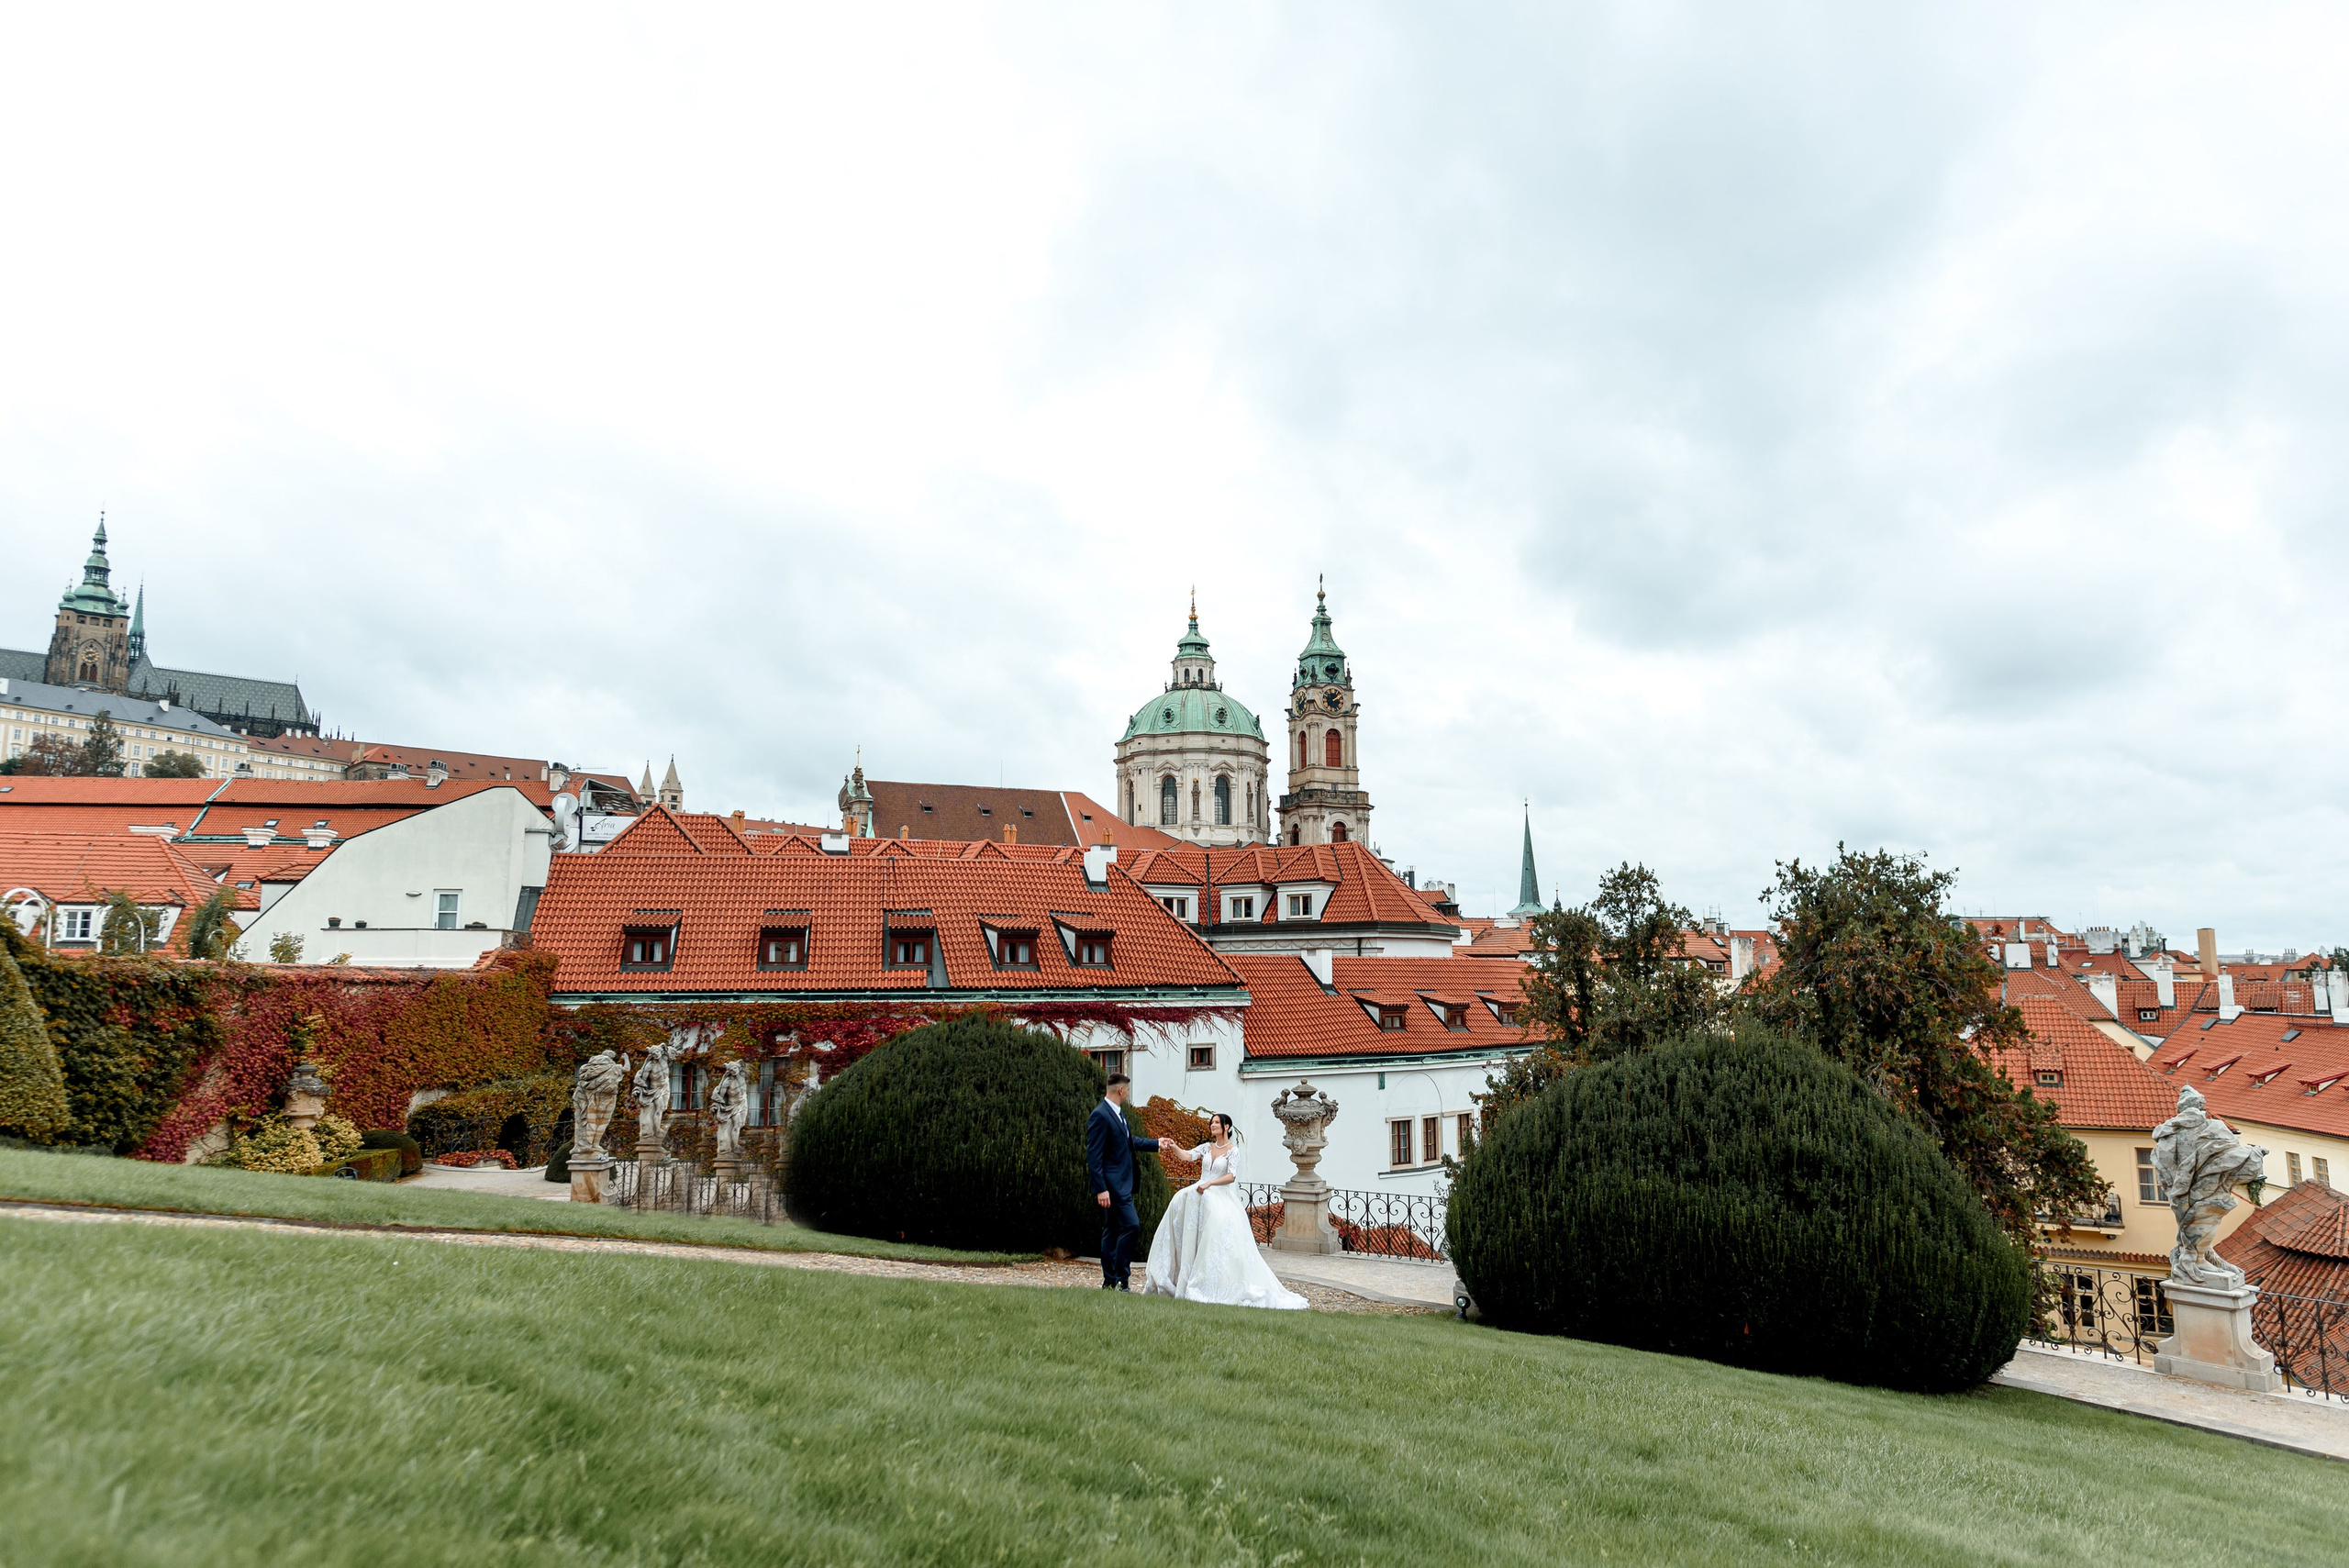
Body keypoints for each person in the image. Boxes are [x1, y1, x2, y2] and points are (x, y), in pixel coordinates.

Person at [1142, 1112, 1308, 1310]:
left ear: (1226, 1126)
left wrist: (1211, 1183)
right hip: (1201, 1190)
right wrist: (1175, 1146)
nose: (1212, 1125)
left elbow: (1231, 1176)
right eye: (1211, 1123)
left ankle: (1210, 1281)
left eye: (1216, 1123)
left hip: (1219, 1193)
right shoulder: (1206, 1147)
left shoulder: (1233, 1151)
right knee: (1180, 1199)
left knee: (1214, 1220)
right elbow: (1188, 1156)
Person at [1086, 1073, 1165, 1291]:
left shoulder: (1119, 1114)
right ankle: (1122, 1279)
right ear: (1120, 1090)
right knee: (1132, 1225)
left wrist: (1157, 1144)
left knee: (1112, 1230)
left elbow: (1130, 1142)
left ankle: (1110, 1281)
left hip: (1123, 1184)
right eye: (1128, 1090)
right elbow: (1094, 1156)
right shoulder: (1100, 1115)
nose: (1129, 1094)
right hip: (1113, 1186)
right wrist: (1101, 1188)